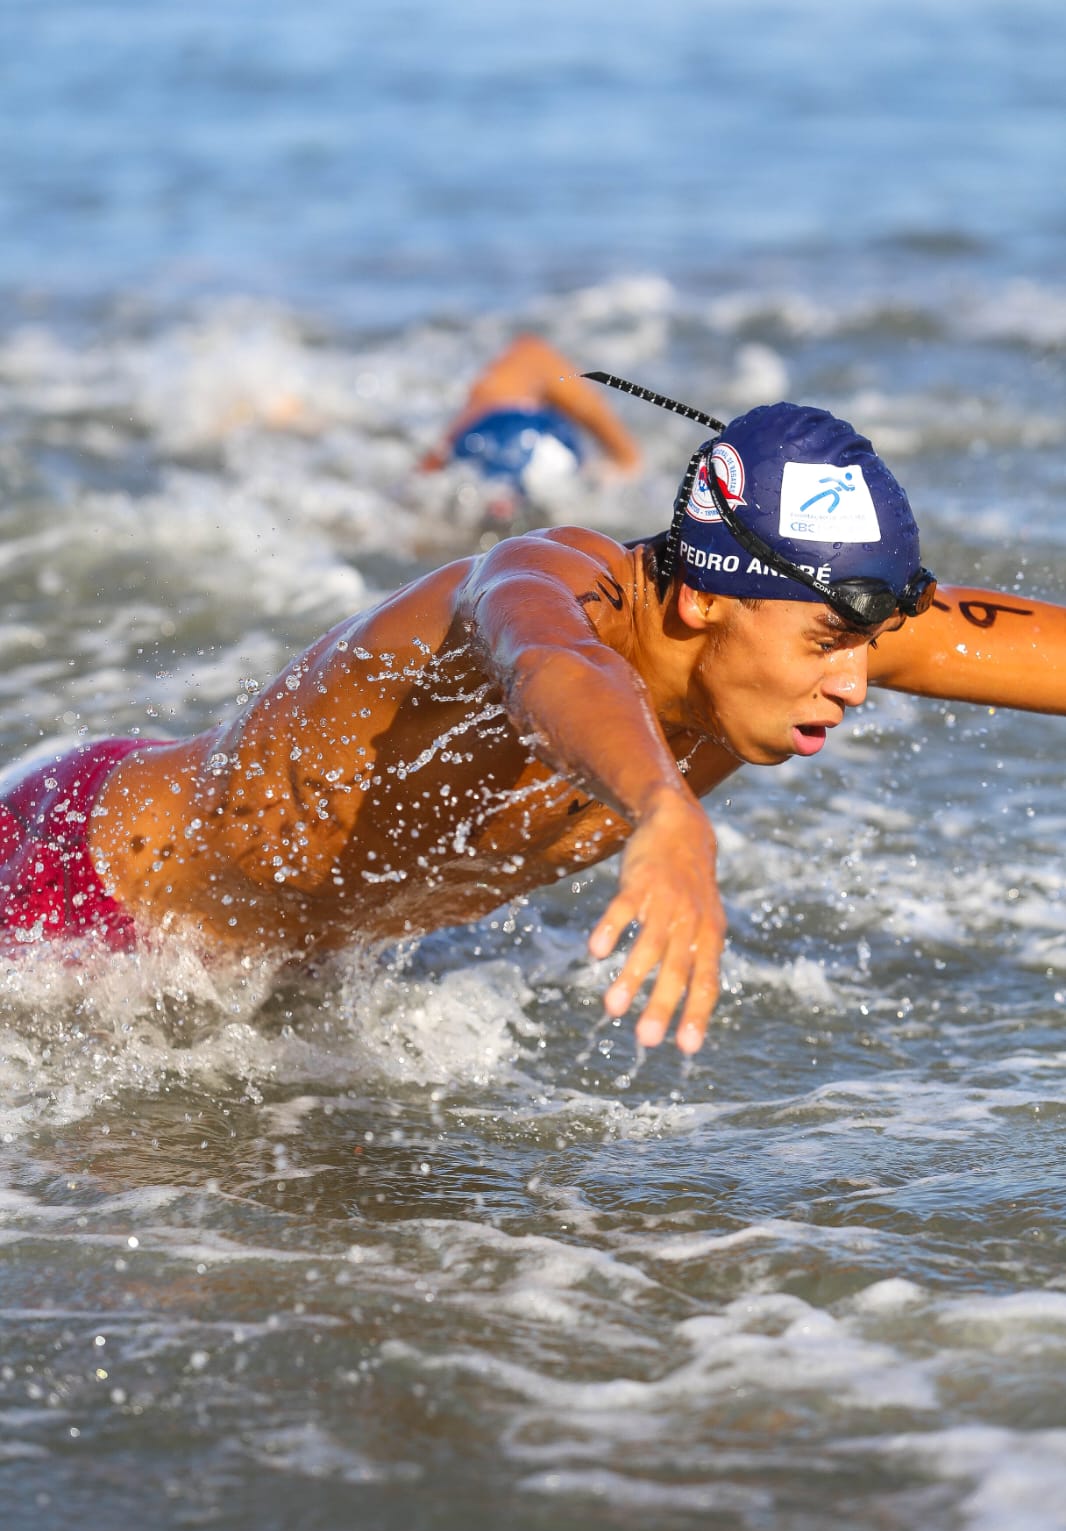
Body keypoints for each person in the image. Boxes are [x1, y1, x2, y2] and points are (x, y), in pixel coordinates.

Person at [2, 391, 1063, 1058]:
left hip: (286, 972)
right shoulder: (539, 583)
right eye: (829, 641)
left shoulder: (782, 641)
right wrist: (665, 811)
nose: (856, 682)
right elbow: (552, 666)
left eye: (866, 646)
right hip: (73, 892)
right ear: (705, 597)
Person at [417, 334, 642, 513]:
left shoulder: (509, 385)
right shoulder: (445, 463)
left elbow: (534, 355)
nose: (503, 508)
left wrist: (621, 463)